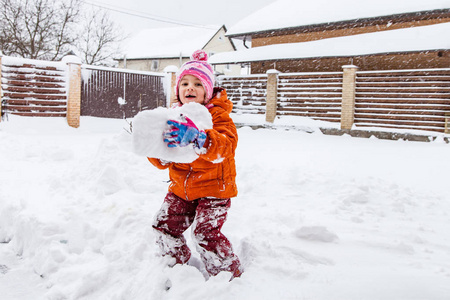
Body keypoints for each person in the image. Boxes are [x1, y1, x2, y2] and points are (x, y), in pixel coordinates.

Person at [148, 50, 242, 280]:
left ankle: (227, 277)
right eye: (185, 83)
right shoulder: (172, 116)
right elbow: (158, 155)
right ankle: (176, 267)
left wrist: (201, 139)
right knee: (164, 226)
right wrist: (160, 153)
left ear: (208, 91)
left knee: (205, 234)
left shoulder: (218, 116)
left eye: (198, 83)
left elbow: (227, 146)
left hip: (214, 189)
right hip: (181, 188)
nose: (190, 88)